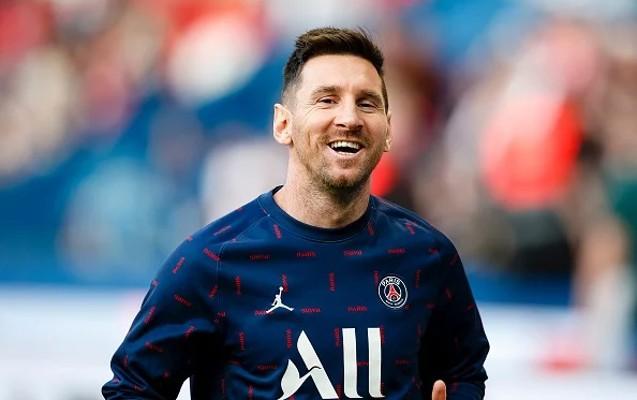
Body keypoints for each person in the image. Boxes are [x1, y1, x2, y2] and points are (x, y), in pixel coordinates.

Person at [103, 27, 489, 400]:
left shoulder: (428, 257)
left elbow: (464, 371)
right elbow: (133, 388)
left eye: (367, 103)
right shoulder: (211, 262)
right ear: (283, 124)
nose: (349, 118)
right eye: (327, 100)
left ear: (387, 130)